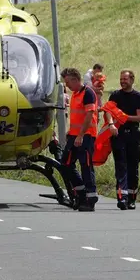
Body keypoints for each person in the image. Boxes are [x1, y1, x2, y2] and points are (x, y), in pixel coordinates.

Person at [58, 67, 98, 212]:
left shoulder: (88, 93)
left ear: (75, 79)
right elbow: (77, 116)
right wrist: (72, 132)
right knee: (65, 163)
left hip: (86, 136)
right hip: (75, 135)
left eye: (68, 82)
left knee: (86, 165)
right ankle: (81, 192)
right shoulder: (75, 94)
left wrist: (81, 135)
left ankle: (90, 198)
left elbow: (89, 115)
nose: (66, 85)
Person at [107, 70, 140, 210]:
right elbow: (108, 111)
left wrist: (123, 117)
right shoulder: (115, 95)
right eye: (121, 79)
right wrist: (111, 124)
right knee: (120, 166)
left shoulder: (138, 96)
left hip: (133, 135)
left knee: (133, 167)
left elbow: (139, 118)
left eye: (125, 79)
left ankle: (132, 198)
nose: (123, 81)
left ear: (132, 80)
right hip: (118, 135)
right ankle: (121, 197)